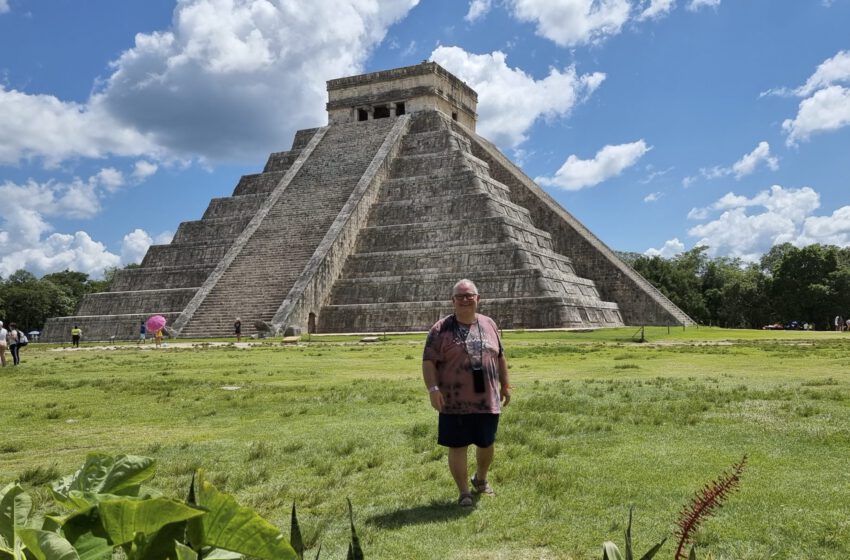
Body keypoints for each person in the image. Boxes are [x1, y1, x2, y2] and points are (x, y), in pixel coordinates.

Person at [422, 279, 511, 507]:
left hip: (487, 399)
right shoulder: (440, 329)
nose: (465, 299)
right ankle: (464, 492)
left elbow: (500, 356)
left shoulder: (489, 324)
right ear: (452, 301)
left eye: (469, 295)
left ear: (478, 298)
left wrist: (506, 385)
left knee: (486, 443)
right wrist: (433, 390)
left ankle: (480, 479)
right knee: (458, 445)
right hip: (454, 401)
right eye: (460, 296)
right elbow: (429, 362)